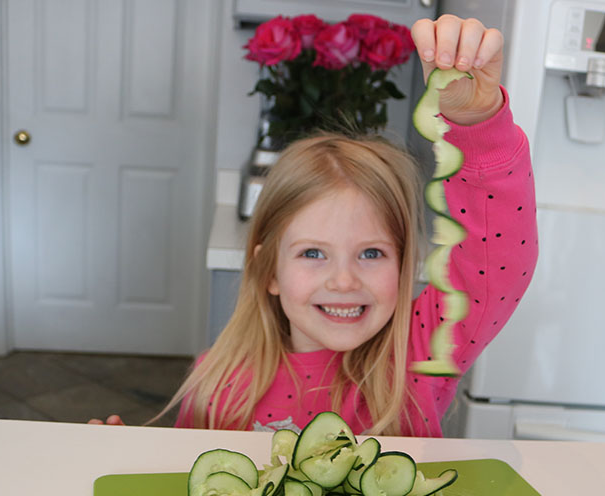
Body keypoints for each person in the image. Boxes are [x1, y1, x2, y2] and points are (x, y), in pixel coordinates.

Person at [91, 14, 538, 436]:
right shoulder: (219, 380)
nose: (343, 281)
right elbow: (186, 484)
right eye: (312, 253)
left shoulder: (421, 354)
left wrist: (476, 121)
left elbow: (496, 258)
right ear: (269, 271)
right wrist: (131, 454)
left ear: (405, 265)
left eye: (371, 253)